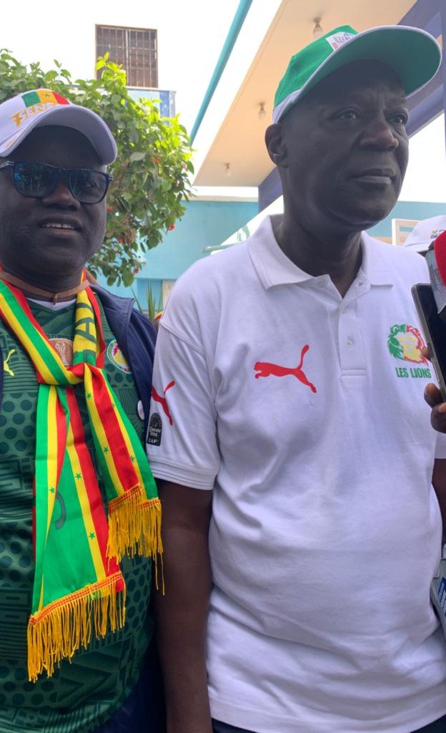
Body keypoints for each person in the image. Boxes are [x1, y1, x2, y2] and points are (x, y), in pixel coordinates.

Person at [147, 24, 446, 733]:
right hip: (259, 703)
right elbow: (180, 523)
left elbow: (434, 479)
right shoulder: (207, 295)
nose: (384, 136)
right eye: (347, 114)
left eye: (395, 116)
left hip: (420, 697)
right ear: (278, 145)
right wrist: (188, 716)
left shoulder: (420, 285)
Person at [0, 88, 164, 733]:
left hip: (122, 710)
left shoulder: (133, 334)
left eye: (85, 181)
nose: (64, 196)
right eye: (35, 176)